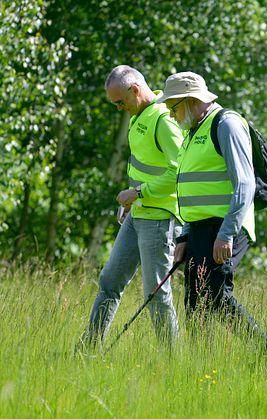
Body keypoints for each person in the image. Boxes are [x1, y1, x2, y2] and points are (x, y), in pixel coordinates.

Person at [158, 71, 267, 355]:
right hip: (201, 229)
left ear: (190, 101)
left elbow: (245, 183)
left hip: (227, 227)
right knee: (195, 301)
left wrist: (226, 234)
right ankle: (201, 365)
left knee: (215, 296)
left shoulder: (226, 124)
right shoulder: (193, 131)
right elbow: (194, 188)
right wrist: (184, 236)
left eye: (173, 108)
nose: (172, 115)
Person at [79, 65, 182, 348]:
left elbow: (179, 173)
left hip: (160, 218)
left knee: (156, 294)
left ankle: (173, 366)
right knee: (109, 280)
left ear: (135, 90)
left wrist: (137, 193)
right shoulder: (139, 116)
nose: (118, 109)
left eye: (119, 102)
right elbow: (143, 166)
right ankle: (88, 349)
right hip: (137, 214)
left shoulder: (164, 120)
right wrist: (131, 201)